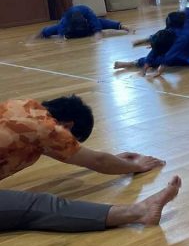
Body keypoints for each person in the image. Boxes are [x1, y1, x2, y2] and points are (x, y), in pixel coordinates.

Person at [0, 95, 178, 233]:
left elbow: (73, 154)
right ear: (68, 126)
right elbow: (98, 161)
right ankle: (139, 211)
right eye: (71, 140)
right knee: (38, 204)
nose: (69, 144)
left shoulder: (21, 106)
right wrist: (137, 166)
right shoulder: (48, 129)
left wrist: (116, 161)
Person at [114, 28, 189, 77]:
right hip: (177, 56)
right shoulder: (164, 37)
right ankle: (132, 63)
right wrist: (144, 70)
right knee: (155, 58)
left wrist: (160, 69)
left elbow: (168, 58)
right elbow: (154, 54)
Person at [39, 5, 130, 39]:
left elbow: (97, 21)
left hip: (87, 29)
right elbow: (59, 27)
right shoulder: (67, 18)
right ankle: (41, 34)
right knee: (49, 30)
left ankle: (122, 26)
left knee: (100, 22)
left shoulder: (86, 12)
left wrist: (97, 32)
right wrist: (61, 36)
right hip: (72, 32)